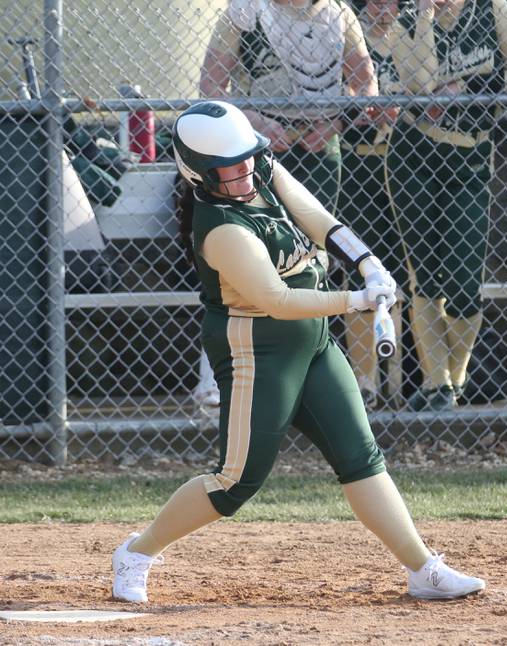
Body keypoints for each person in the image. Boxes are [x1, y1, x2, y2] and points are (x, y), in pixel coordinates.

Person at [110, 101, 485, 603]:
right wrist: (356, 300)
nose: (245, 171)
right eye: (230, 166)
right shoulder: (219, 226)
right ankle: (137, 551)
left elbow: (316, 217)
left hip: (311, 342)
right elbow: (276, 300)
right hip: (256, 351)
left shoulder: (257, 170)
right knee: (235, 483)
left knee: (361, 458)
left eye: (247, 158)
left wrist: (367, 263)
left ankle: (423, 568)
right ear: (200, 174)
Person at [385, 0, 507, 411]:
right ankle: (437, 385)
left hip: (470, 151)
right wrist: (428, 15)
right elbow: (421, 81)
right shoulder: (405, 20)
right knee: (424, 276)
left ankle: (457, 373)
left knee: (465, 281)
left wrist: (469, 94)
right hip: (414, 153)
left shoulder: (493, 9)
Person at [198, 0, 379, 212]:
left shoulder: (339, 15)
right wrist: (254, 121)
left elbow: (366, 86)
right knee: (265, 235)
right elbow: (210, 87)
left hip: (320, 143)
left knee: (316, 237)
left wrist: (336, 123)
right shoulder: (244, 13)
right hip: (257, 144)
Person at [339, 0, 414, 410]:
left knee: (402, 273)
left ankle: (398, 381)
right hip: (360, 167)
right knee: (360, 272)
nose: (382, 7)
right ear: (360, 1)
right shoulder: (351, 39)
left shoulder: (414, 39)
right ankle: (364, 380)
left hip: (403, 165)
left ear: (404, 1)